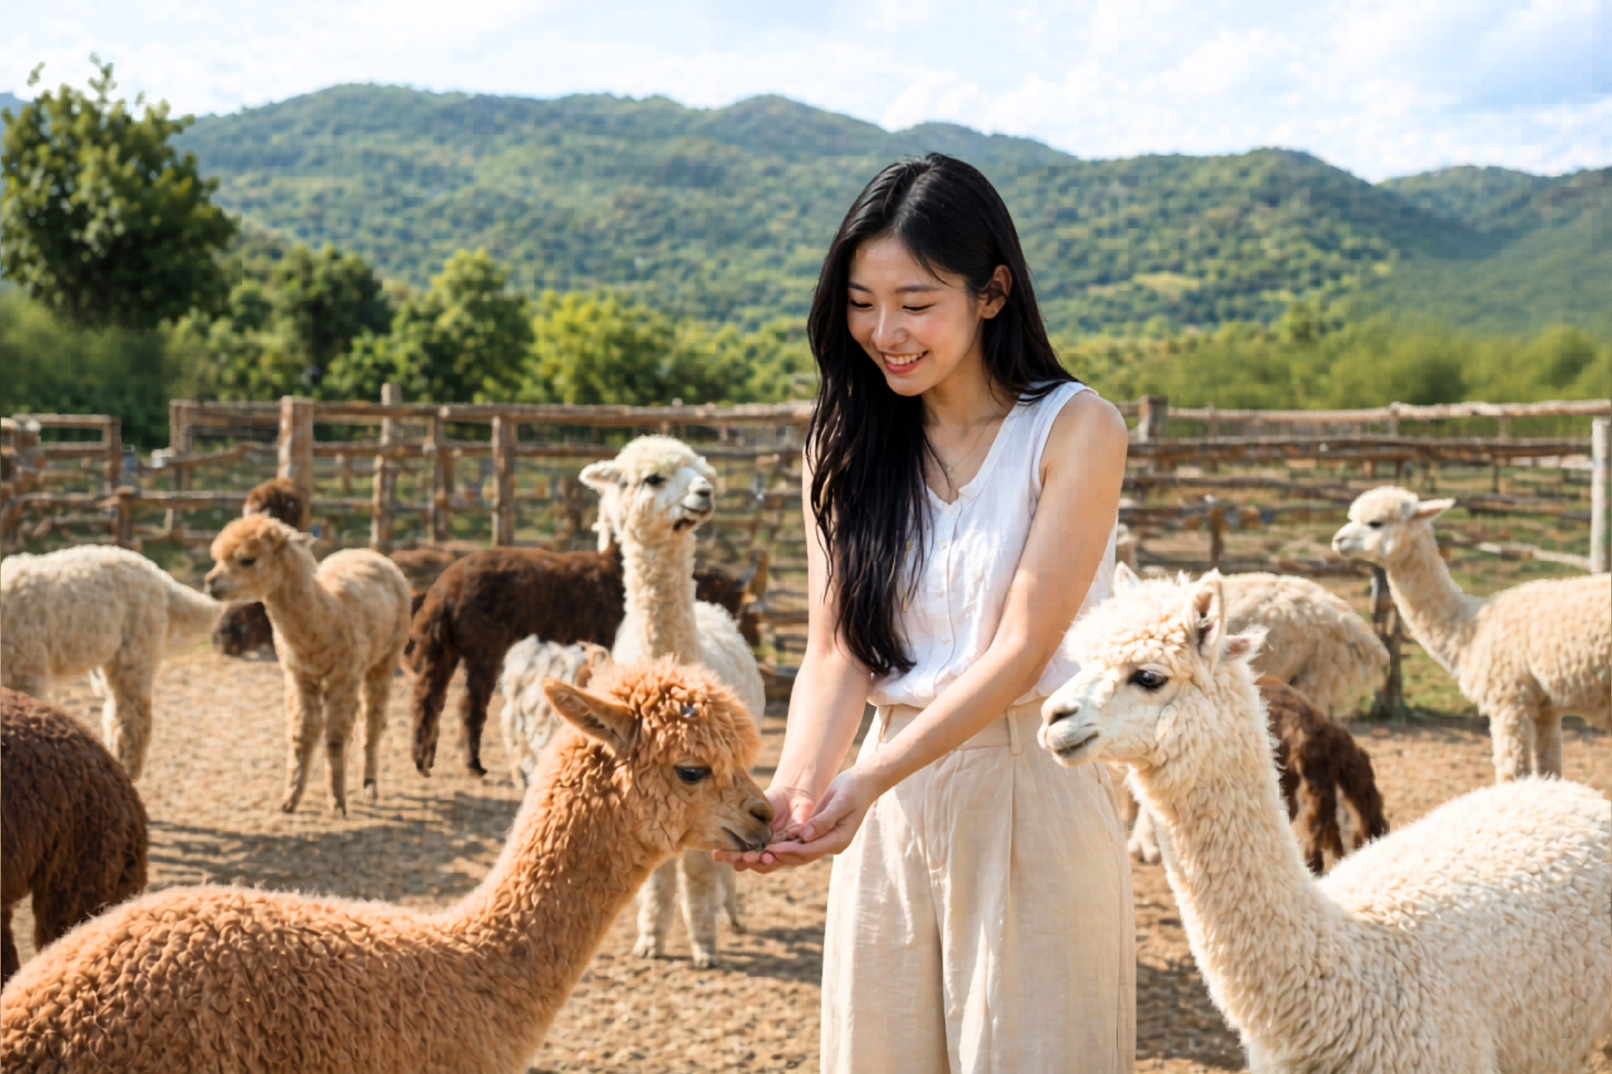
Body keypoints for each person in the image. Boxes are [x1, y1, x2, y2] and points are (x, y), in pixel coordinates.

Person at [715, 153, 1134, 1073]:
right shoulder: (843, 441)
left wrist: (867, 783)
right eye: (862, 302)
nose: (884, 331)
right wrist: (797, 792)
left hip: (1032, 784)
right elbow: (836, 652)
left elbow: (1022, 649)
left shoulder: (1075, 431)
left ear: (992, 293)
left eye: (915, 302)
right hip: (889, 803)